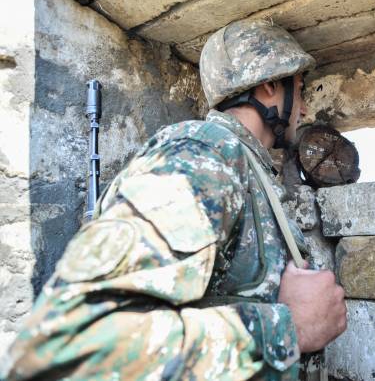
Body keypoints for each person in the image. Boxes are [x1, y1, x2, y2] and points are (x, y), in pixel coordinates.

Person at [1, 19, 347, 380]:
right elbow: (74, 347)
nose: (304, 109)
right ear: (269, 86)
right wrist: (287, 329)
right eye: (301, 90)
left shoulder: (243, 165)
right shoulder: (206, 153)